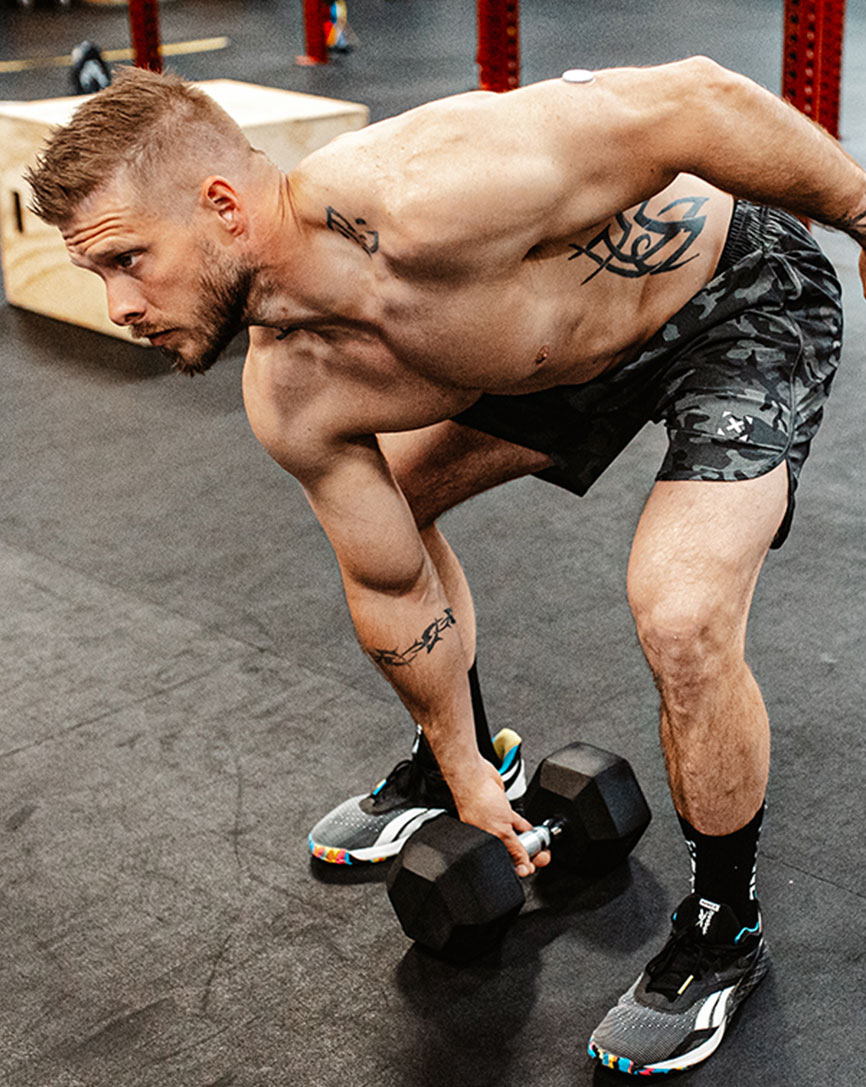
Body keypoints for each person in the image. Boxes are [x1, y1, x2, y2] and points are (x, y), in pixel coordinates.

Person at [25, 58, 864, 1075]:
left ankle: (722, 927)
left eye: (127, 260)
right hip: (543, 356)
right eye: (98, 274)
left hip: (734, 303)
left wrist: (861, 209)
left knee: (678, 610)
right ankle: (470, 749)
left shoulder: (434, 189)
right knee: (402, 506)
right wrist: (464, 769)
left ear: (221, 206)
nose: (118, 305)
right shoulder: (295, 393)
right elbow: (388, 582)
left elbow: (692, 98)